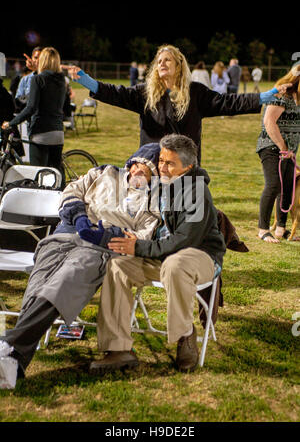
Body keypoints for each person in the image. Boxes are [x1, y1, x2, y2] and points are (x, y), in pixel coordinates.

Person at [0, 143, 161, 389]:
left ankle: (10, 348)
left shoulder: (152, 201)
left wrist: (107, 234)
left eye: (151, 172)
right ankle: (13, 360)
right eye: (140, 165)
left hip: (97, 248)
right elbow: (71, 191)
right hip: (62, 237)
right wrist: (79, 217)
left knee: (64, 281)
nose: (142, 173)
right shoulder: (103, 173)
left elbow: (142, 236)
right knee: (39, 283)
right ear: (132, 161)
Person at [90, 134, 226, 374]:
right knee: (118, 266)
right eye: (161, 160)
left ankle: (185, 334)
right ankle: (117, 348)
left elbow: (186, 241)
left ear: (188, 167)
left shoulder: (197, 192)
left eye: (169, 163)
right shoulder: (166, 184)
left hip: (200, 256)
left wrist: (140, 247)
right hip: (166, 256)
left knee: (176, 265)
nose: (161, 166)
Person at [65, 44, 287, 164]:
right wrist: (87, 80)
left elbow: (228, 102)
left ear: (179, 66)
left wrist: (262, 97)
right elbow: (115, 93)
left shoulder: (196, 93)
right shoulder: (145, 94)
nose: (162, 64)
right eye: (159, 61)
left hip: (185, 165)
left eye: (167, 60)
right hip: (154, 163)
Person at [1, 47, 66, 187]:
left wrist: (11, 123)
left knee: (38, 177)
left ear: (42, 61)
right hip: (58, 133)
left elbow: (31, 108)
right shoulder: (62, 80)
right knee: (56, 176)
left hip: (41, 134)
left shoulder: (37, 79)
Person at [256, 64, 300, 243]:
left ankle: (281, 229)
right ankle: (263, 229)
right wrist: (283, 146)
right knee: (274, 185)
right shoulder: (282, 94)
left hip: (289, 150)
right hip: (271, 147)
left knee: (287, 188)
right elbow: (269, 121)